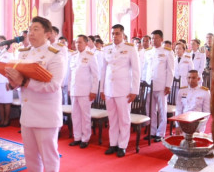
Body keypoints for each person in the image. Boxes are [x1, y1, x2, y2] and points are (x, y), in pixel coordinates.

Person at [5, 16, 64, 172]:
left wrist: (24, 82)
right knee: (30, 155)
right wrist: (12, 82)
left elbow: (54, 85)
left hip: (46, 114)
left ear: (48, 34)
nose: (31, 32)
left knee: (49, 156)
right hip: (28, 112)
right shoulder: (23, 53)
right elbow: (19, 79)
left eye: (36, 29)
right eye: (30, 28)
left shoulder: (56, 54)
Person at [100, 24, 140, 157]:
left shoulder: (130, 48)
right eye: (113, 34)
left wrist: (135, 90)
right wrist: (102, 89)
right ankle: (113, 144)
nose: (114, 36)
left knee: (124, 119)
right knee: (112, 119)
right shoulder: (107, 49)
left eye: (117, 33)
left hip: (123, 90)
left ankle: (122, 145)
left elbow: (136, 71)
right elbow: (103, 70)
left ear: (122, 34)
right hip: (109, 90)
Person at [143, 30, 175, 142]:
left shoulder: (167, 52)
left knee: (162, 110)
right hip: (149, 86)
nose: (153, 40)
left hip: (161, 86)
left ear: (161, 39)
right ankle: (152, 132)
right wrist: (143, 83)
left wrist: (168, 85)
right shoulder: (148, 52)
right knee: (150, 110)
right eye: (152, 38)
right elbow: (145, 69)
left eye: (156, 38)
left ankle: (160, 133)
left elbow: (170, 70)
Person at [68, 35, 99, 148]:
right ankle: (77, 137)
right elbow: (71, 74)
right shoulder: (73, 56)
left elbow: (96, 75)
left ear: (86, 44)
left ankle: (85, 138)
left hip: (85, 91)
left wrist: (94, 91)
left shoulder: (90, 56)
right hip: (74, 90)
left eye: (80, 42)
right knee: (75, 115)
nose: (77, 44)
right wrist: (69, 89)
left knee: (85, 116)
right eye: (76, 42)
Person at [0, 35, 14, 127]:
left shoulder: (9, 55)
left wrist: (10, 81)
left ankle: (7, 120)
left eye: (2, 42)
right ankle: (2, 120)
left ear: (6, 44)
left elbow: (12, 68)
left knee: (6, 102)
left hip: (6, 81)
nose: (0, 44)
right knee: (0, 102)